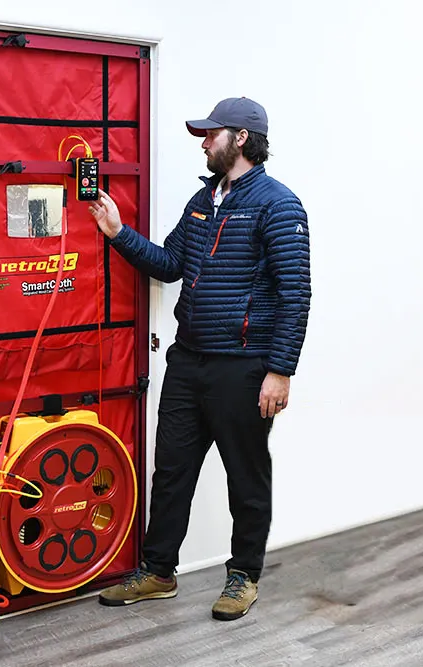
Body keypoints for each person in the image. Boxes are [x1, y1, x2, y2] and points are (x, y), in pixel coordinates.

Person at [91, 97, 311, 620]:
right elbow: (169, 265)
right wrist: (118, 233)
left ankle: (243, 576)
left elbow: (295, 293)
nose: (204, 141)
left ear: (241, 138)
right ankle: (157, 572)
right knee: (171, 471)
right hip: (187, 363)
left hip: (245, 367)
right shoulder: (201, 200)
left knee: (246, 475)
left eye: (212, 133)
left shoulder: (279, 205)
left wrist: (279, 371)